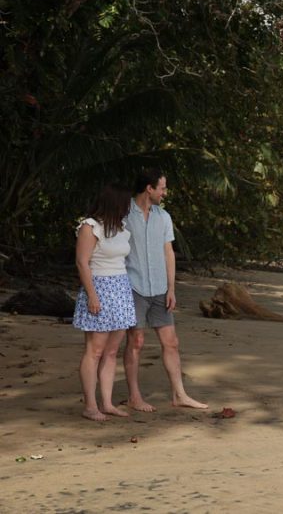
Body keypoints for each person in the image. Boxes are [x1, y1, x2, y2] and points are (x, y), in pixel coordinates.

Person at [123, 169, 207, 411]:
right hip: (133, 287)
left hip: (160, 288)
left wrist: (171, 288)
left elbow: (168, 253)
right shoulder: (123, 213)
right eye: (162, 188)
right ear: (149, 188)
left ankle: (179, 395)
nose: (165, 192)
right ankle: (134, 397)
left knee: (171, 342)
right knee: (136, 342)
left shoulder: (164, 217)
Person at [73, 183, 137, 421]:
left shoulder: (121, 228)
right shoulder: (90, 226)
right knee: (95, 350)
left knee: (111, 351)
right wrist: (92, 295)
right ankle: (90, 405)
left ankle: (107, 402)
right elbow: (82, 262)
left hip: (120, 288)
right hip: (99, 286)